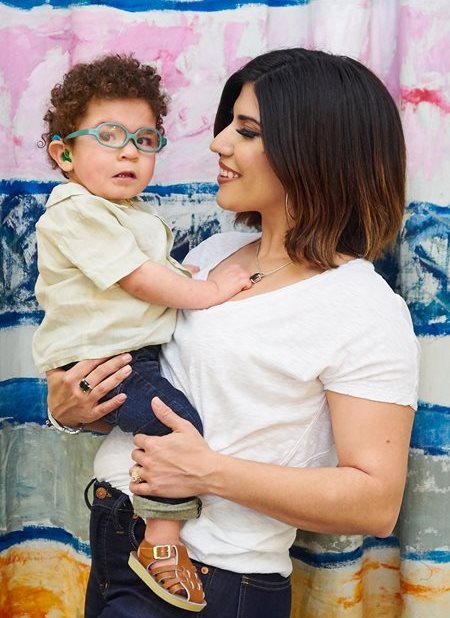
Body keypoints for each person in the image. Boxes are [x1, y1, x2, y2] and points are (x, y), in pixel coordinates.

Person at [45, 48, 419, 618]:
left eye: (245, 131)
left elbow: (374, 503)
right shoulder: (211, 256)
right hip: (117, 545)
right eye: (227, 126)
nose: (218, 143)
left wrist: (207, 472)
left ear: (312, 151)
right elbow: (150, 382)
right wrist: (73, 408)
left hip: (213, 582)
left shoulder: (362, 306)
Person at [33, 54, 252, 613]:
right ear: (64, 154)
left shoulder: (128, 213)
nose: (129, 151)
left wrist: (184, 275)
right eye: (108, 137)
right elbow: (137, 276)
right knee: (177, 423)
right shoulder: (75, 210)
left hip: (128, 355)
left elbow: (154, 270)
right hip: (108, 356)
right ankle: (162, 544)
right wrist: (205, 290)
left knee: (162, 419)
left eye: (146, 139)